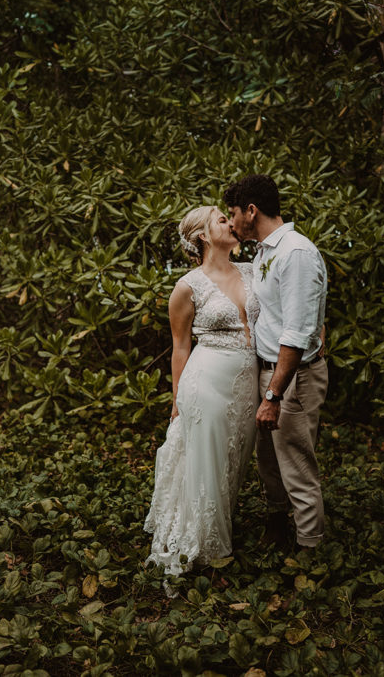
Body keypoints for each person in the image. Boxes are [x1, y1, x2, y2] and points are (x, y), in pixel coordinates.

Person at [143, 205, 260, 583]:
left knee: (233, 459)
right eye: (222, 220)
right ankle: (207, 550)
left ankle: (217, 530)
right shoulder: (188, 286)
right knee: (206, 461)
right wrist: (177, 400)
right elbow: (180, 347)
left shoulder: (253, 271)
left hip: (247, 384)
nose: (231, 222)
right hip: (206, 380)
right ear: (204, 237)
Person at [224, 174, 329, 552]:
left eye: (233, 213)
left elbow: (297, 333)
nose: (231, 221)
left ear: (251, 211)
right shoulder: (266, 251)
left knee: (297, 466)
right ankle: (278, 526)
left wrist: (273, 394)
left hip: (292, 378)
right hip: (270, 372)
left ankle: (310, 551)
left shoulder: (295, 253)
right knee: (268, 460)